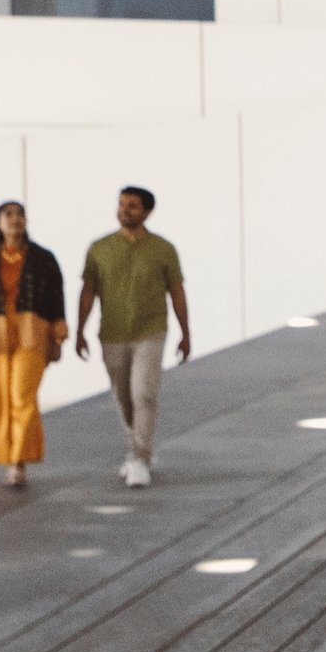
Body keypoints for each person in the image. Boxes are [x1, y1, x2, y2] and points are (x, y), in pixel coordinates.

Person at [76, 183, 196, 487]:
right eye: (121, 204)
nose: (124, 210)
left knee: (143, 392)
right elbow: (88, 291)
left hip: (150, 331)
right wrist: (79, 330)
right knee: (122, 394)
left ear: (147, 211)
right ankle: (138, 445)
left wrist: (185, 333)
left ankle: (139, 457)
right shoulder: (100, 249)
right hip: (112, 332)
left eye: (132, 205)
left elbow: (177, 291)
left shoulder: (162, 249)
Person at [0, 198, 67, 492]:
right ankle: (7, 455)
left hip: (33, 330)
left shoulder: (43, 258)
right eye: (8, 214)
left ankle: (18, 461)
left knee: (23, 395)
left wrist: (58, 335)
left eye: (20, 214)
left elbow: (56, 296)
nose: (15, 219)